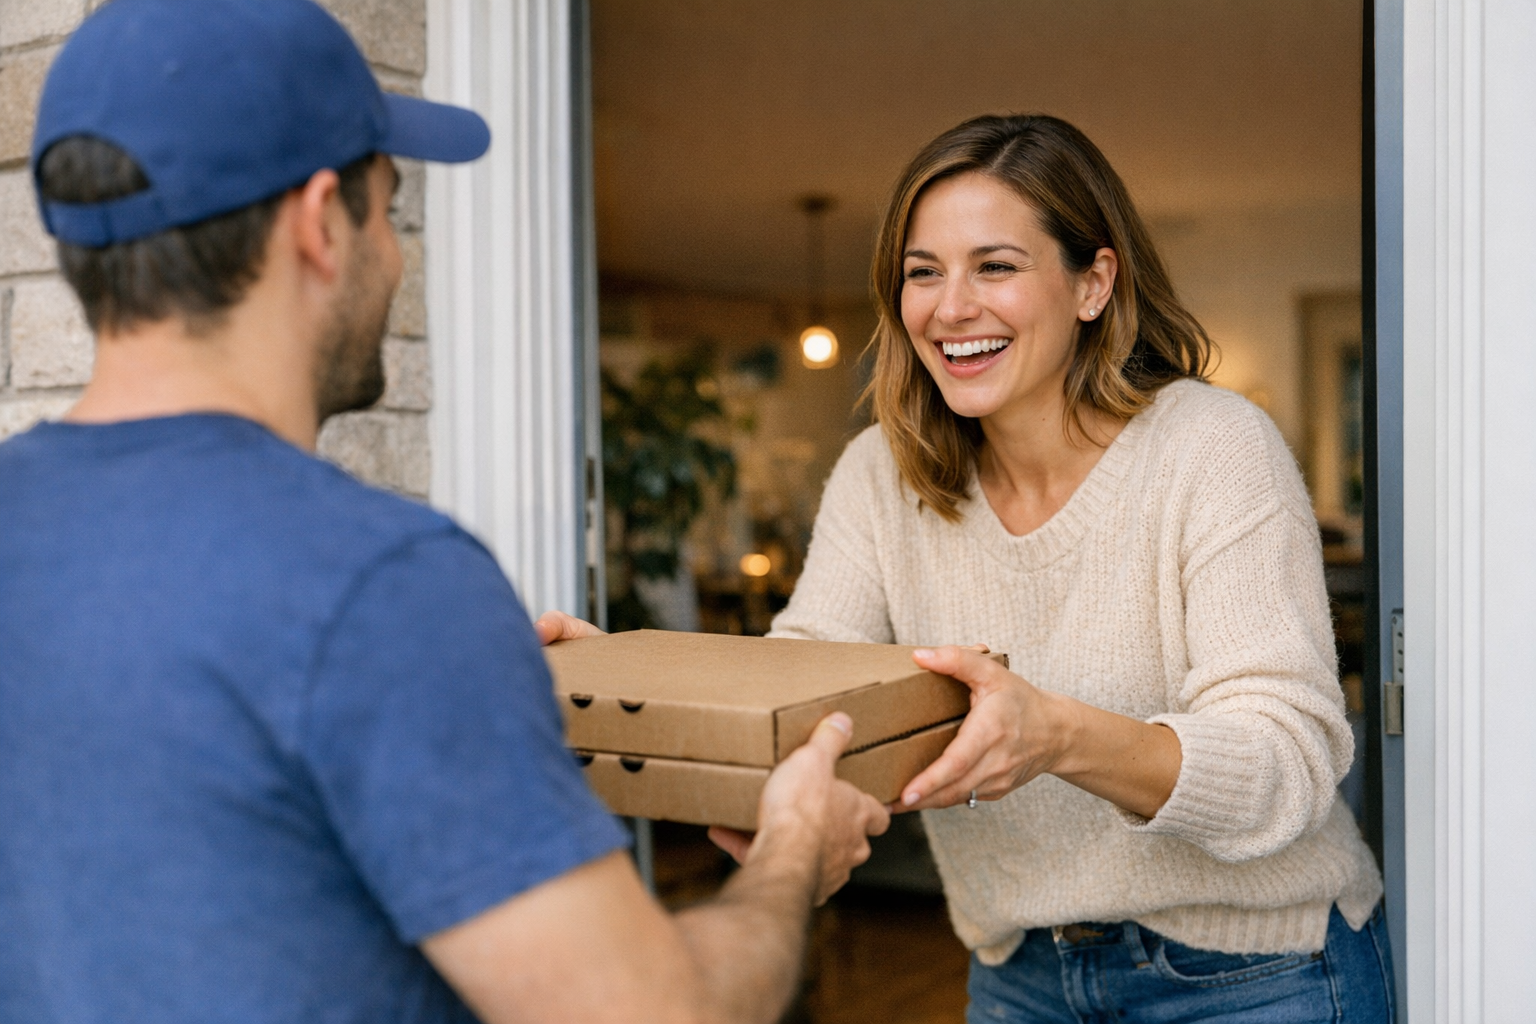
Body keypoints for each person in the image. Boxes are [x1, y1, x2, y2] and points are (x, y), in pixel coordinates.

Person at [0, 3, 887, 1023]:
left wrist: (464, 705)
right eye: (390, 208)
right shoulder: (381, 587)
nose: (396, 255)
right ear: (318, 220)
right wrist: (791, 845)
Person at [770, 113, 1394, 1022]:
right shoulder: (879, 477)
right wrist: (643, 680)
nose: (950, 308)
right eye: (922, 272)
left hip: (1255, 975)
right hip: (1021, 976)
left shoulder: (1211, 447)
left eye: (996, 266)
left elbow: (1286, 757)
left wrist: (1057, 735)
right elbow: (806, 682)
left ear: (1093, 283)